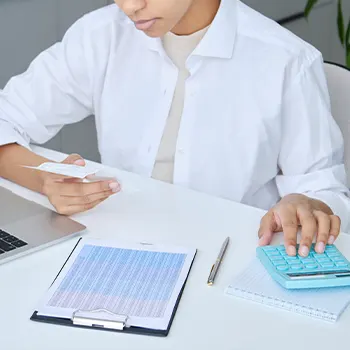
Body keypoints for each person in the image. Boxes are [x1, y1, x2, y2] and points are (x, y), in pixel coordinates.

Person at [0, 0, 349, 258]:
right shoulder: (101, 35)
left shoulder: (286, 60)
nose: (130, 7)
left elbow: (324, 190)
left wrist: (304, 203)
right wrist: (43, 181)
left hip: (226, 256)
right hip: (112, 247)